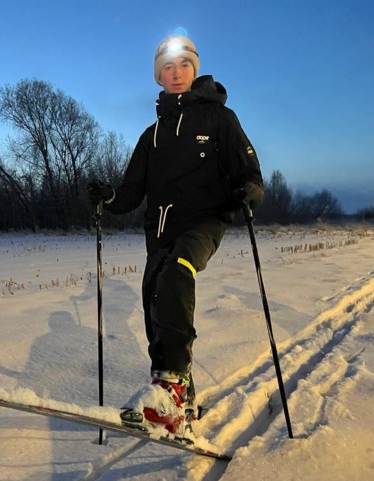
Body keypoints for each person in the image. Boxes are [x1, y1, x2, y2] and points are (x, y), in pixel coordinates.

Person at [88, 34, 264, 438]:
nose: (176, 73)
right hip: (160, 232)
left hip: (204, 222)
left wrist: (250, 194)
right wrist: (110, 197)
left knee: (177, 272)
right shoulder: (151, 136)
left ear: (194, 69)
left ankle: (170, 387)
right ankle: (176, 401)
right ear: (158, 77)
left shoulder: (221, 119)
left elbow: (250, 175)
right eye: (167, 68)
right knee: (156, 303)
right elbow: (132, 192)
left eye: (183, 65)